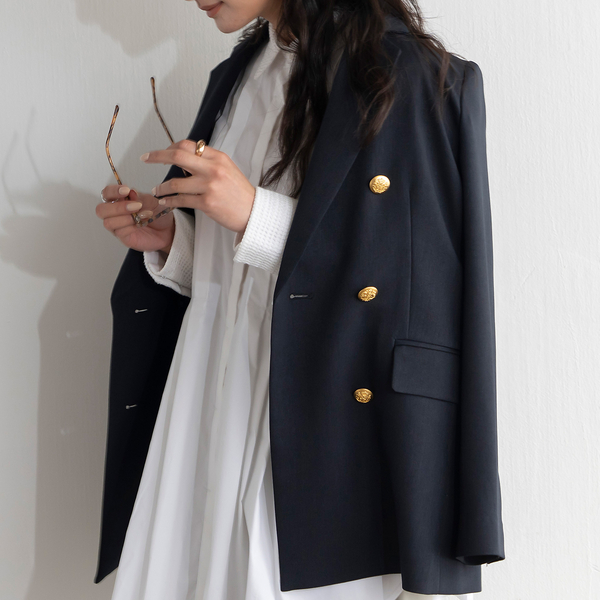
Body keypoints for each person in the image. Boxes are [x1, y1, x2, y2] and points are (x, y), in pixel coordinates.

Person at [94, 0, 505, 599]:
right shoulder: (239, 75)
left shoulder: (404, 74)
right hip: (209, 404)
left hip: (320, 426)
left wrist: (254, 214)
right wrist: (176, 244)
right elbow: (241, 281)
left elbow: (410, 288)